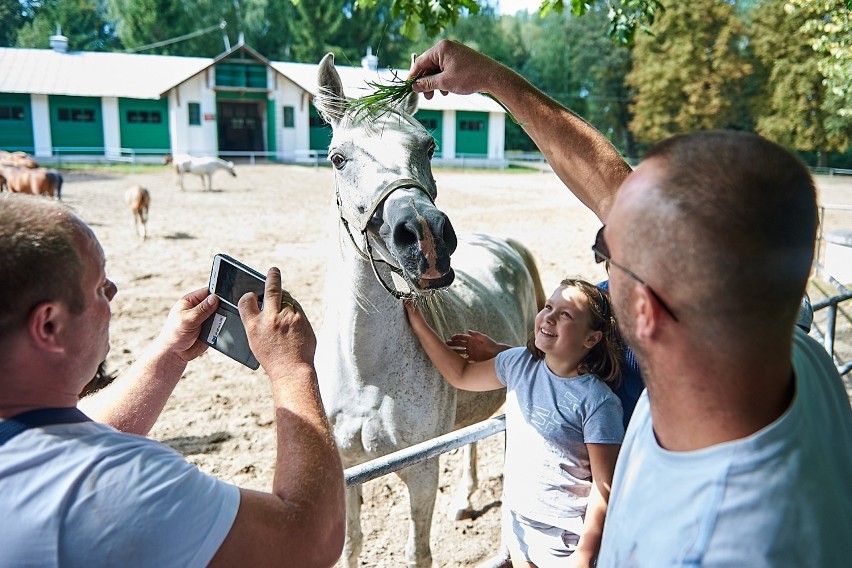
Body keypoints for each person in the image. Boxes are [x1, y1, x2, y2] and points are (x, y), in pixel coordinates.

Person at [409, 40, 852, 566]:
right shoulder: (793, 350)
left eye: (605, 252)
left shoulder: (699, 544)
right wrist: (492, 78)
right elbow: (621, 197)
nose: (599, 267)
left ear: (646, 310)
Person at [0, 193, 345, 567]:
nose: (113, 291)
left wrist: (170, 353)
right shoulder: (118, 484)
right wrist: (292, 369)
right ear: (49, 325)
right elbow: (309, 541)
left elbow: (79, 431)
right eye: (100, 286)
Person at [406, 278, 624, 568]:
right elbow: (460, 373)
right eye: (548, 306)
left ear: (591, 339)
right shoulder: (518, 364)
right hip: (519, 524)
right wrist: (419, 323)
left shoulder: (598, 402)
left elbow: (604, 486)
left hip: (566, 538)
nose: (549, 316)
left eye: (566, 314)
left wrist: (584, 554)